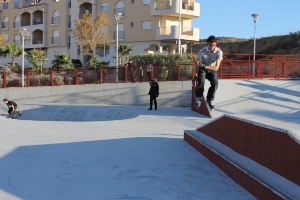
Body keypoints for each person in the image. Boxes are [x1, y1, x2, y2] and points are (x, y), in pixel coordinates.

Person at [194, 35, 223, 110]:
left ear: (216, 44)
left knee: (215, 83)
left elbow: (216, 68)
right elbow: (197, 64)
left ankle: (210, 99)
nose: (212, 47)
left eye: (214, 45)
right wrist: (195, 76)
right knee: (201, 82)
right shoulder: (202, 51)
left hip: (212, 70)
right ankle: (198, 97)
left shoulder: (219, 52)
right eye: (210, 45)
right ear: (207, 44)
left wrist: (204, 66)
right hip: (202, 70)